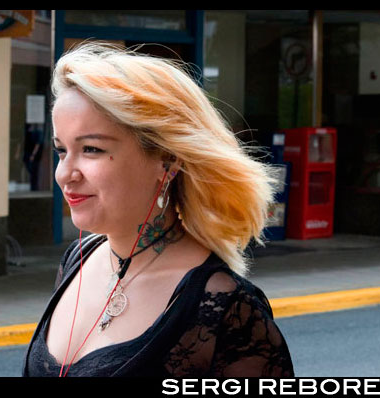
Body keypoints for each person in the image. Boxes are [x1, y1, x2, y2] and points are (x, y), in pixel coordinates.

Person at [22, 42, 294, 377]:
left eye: (91, 149)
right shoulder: (77, 259)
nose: (64, 173)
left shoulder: (226, 309)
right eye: (62, 150)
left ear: (166, 161)